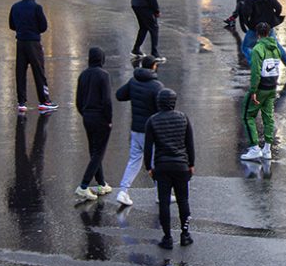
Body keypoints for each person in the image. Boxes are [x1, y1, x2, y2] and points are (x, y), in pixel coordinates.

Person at [143, 88, 195, 250]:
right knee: (183, 201)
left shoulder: (152, 121)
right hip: (181, 166)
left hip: (162, 166)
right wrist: (191, 164)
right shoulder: (183, 118)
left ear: (159, 102)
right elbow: (189, 144)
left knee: (164, 203)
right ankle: (185, 234)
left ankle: (167, 237)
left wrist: (149, 167)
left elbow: (148, 147)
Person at [115, 55, 164, 207]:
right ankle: (161, 194)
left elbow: (120, 95)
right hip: (151, 131)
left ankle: (123, 191)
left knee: (134, 160)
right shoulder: (157, 86)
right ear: (154, 67)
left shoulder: (133, 81)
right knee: (156, 161)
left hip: (136, 129)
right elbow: (162, 109)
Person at [9, 0, 57, 113]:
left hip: (20, 42)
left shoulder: (15, 7)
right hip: (33, 43)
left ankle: (21, 102)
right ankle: (44, 101)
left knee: (20, 72)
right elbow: (43, 26)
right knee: (38, 71)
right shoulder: (37, 8)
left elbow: (11, 25)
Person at [74, 47, 113, 201]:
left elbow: (78, 100)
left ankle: (101, 183)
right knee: (99, 152)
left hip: (87, 116)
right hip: (100, 117)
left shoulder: (83, 75)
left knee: (94, 150)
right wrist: (109, 119)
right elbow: (107, 100)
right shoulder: (104, 75)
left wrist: (84, 112)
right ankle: (83, 185)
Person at [241, 23, 282, 162]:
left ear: (257, 34)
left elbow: (256, 72)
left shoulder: (258, 49)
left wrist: (253, 90)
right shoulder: (276, 48)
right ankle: (267, 149)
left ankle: (254, 148)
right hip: (272, 88)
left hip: (260, 89)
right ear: (269, 33)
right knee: (268, 117)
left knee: (248, 116)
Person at [239, 0, 286, 72]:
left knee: (246, 47)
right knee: (275, 46)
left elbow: (246, 13)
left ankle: (256, 65)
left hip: (255, 27)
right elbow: (278, 7)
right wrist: (273, 18)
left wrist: (248, 24)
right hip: (268, 26)